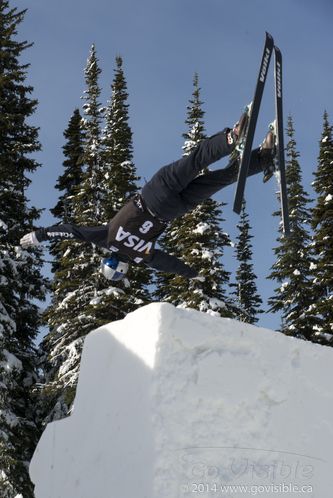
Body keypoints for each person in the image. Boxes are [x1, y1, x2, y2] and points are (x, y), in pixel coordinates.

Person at [20, 116, 275, 283]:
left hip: (173, 210)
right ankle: (230, 139)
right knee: (195, 161)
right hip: (155, 193)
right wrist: (40, 235)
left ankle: (262, 158)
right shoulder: (106, 238)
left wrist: (193, 274)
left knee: (221, 179)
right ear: (108, 259)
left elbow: (168, 263)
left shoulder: (141, 256)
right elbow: (71, 231)